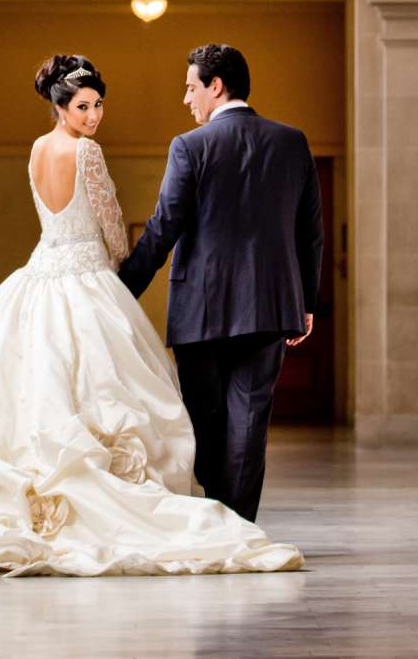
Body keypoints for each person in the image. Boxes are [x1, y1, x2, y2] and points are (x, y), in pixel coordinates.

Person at [0, 52, 301, 576]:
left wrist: (119, 272)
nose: (93, 116)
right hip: (96, 278)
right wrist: (117, 278)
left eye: (98, 106)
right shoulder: (89, 153)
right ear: (61, 105)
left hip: (38, 277)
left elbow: (96, 220)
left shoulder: (37, 150)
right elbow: (114, 228)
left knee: (32, 389)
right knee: (127, 399)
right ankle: (224, 517)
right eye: (85, 106)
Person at [118, 42, 323, 526]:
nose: (187, 99)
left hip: (201, 310)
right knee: (250, 423)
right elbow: (310, 230)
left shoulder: (191, 146)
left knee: (205, 424)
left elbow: (163, 227)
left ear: (216, 86)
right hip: (272, 307)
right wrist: (305, 303)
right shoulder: (292, 141)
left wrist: (120, 290)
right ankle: (241, 527)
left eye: (192, 88)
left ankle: (213, 526)